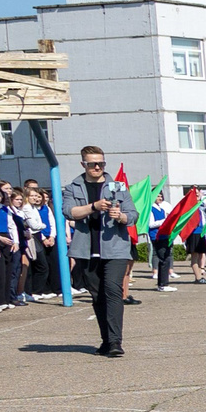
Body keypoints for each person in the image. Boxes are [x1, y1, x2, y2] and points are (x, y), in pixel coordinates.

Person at [63, 144, 134, 356]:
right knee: (97, 295)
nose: (98, 167)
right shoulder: (73, 187)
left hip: (116, 248)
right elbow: (69, 212)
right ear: (83, 164)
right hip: (87, 249)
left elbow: (133, 214)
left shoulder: (117, 186)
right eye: (93, 163)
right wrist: (93, 207)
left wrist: (121, 217)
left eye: (101, 163)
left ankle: (115, 342)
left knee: (113, 290)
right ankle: (106, 340)